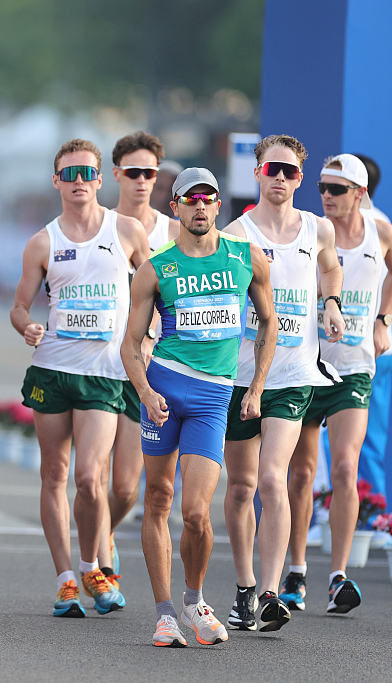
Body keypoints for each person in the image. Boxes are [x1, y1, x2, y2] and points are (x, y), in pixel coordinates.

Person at [122, 167, 275, 647]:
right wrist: (146, 393)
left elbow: (271, 324)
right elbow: (129, 345)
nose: (201, 206)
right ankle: (165, 614)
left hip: (214, 397)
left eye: (208, 198)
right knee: (158, 499)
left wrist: (256, 388)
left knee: (195, 513)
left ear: (218, 206)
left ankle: (195, 599)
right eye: (191, 200)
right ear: (177, 208)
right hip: (164, 391)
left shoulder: (246, 258)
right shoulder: (156, 268)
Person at [11, 139, 150, 618]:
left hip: (105, 375)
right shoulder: (43, 242)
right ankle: (65, 579)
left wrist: (148, 336)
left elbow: (152, 291)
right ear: (56, 181)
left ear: (99, 178)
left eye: (85, 174)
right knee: (55, 475)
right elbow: (19, 304)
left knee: (91, 478)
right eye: (68, 175)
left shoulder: (127, 231)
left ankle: (93, 565)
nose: (77, 182)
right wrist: (26, 324)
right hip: (53, 368)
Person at [222, 134, 345, 632]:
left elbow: (332, 270)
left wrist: (331, 303)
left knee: (273, 478)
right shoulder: (235, 232)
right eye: (272, 168)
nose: (279, 177)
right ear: (257, 172)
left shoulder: (317, 229)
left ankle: (270, 593)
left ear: (300, 179)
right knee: (240, 486)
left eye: (290, 171)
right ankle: (245, 587)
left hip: (293, 375)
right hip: (239, 375)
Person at [284, 154, 392, 615]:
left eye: (337, 189)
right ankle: (296, 570)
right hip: (307, 366)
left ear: (360, 194)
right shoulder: (308, 229)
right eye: (323, 188)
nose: (326, 196)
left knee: (346, 468)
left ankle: (338, 576)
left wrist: (383, 318)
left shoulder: (379, 230)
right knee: (304, 474)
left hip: (354, 367)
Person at [101, 132, 180, 587]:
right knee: (93, 474)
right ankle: (96, 555)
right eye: (132, 172)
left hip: (150, 369)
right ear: (117, 175)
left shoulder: (173, 233)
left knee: (127, 487)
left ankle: (103, 534)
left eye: (149, 173)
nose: (141, 181)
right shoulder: (100, 224)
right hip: (100, 363)